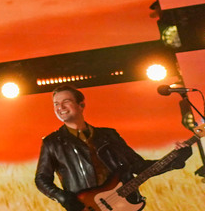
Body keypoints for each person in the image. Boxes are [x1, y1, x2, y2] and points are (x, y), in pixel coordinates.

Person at [35, 85, 191, 211]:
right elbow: (42, 178)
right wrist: (63, 198)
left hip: (123, 205)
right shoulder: (52, 142)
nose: (60, 107)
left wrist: (176, 159)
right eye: (56, 104)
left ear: (81, 105)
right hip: (86, 207)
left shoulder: (108, 135)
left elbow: (139, 166)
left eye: (66, 101)